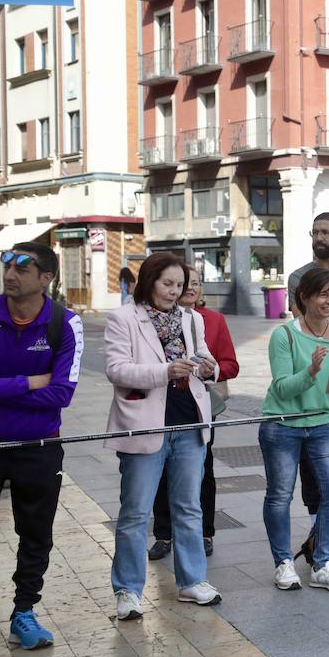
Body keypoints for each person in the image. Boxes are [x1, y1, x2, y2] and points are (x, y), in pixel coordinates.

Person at [104, 252, 221, 620]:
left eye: (180, 286)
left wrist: (207, 366)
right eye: (167, 284)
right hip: (145, 423)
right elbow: (117, 369)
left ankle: (192, 580)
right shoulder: (124, 317)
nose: (174, 292)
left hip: (189, 420)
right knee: (135, 512)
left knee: (189, 507)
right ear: (149, 281)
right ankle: (127, 589)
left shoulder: (191, 319)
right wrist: (165, 370)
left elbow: (206, 361)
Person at [259, 267, 329, 593]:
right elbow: (282, 389)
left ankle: (322, 563)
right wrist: (310, 370)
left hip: (322, 422)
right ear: (304, 297)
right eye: (323, 294)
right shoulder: (285, 335)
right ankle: (283, 563)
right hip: (282, 425)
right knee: (280, 495)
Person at [0, 243, 82, 649]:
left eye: (22, 267)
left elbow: (62, 393)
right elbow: (46, 387)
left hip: (38, 445)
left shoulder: (65, 324)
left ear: (46, 277)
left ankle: (24, 612)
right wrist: (29, 382)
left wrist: (4, 390)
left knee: (35, 534)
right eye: (6, 264)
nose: (10, 274)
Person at [149, 268, 237, 562]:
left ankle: (204, 532)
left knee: (203, 471)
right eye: (179, 283)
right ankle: (163, 534)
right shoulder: (149, 319)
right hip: (158, 405)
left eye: (194, 284)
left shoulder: (210, 320)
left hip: (197, 405)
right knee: (158, 472)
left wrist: (208, 370)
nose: (187, 289)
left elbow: (230, 365)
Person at [288, 212, 329, 313]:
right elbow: (300, 323)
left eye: (325, 232)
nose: (318, 238)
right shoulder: (298, 277)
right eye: (315, 233)